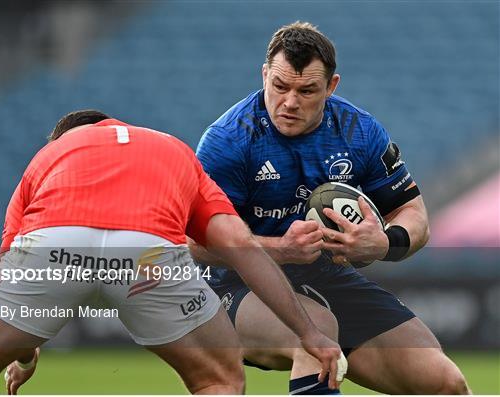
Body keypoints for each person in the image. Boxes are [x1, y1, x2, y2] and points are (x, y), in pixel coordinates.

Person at [0, 110, 347, 394]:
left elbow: (8, 272)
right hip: (148, 256)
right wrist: (308, 333)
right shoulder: (174, 150)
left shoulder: (49, 157)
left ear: (66, 138)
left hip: (57, 243)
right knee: (220, 379)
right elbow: (239, 245)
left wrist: (24, 355)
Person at [192, 22, 470, 394]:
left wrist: (383, 243)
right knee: (317, 338)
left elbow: (414, 214)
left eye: (306, 90)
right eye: (279, 86)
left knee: (444, 384)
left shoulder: (360, 132)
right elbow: (193, 243)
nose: (289, 101)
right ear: (264, 74)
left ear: (331, 86)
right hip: (233, 284)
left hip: (323, 276)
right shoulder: (229, 141)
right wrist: (280, 249)